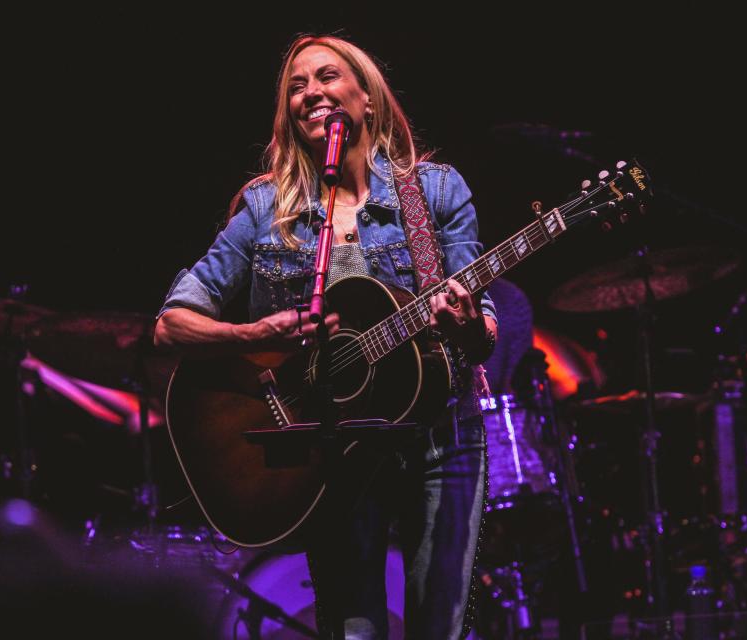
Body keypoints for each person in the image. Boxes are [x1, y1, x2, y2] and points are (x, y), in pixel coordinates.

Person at [154, 34, 501, 640]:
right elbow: (172, 323)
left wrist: (467, 322)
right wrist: (256, 331)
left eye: (327, 77)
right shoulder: (267, 208)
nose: (311, 92)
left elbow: (484, 330)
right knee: (353, 627)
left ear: (368, 99)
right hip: (331, 445)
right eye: (296, 85)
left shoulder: (436, 192)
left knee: (440, 624)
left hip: (438, 434)